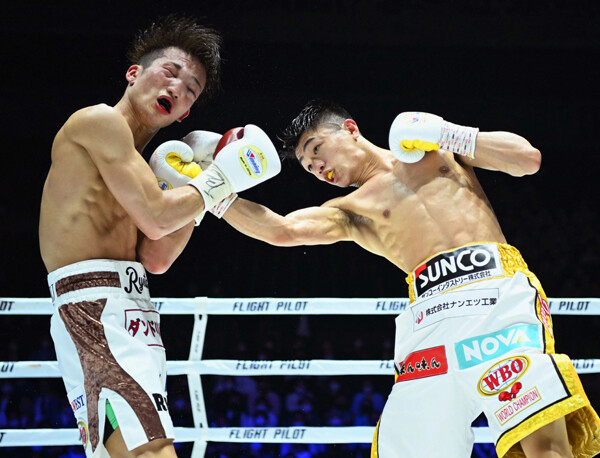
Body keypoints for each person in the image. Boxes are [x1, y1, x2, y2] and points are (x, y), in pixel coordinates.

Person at [210, 100, 600, 457]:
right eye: (309, 167)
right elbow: (281, 230)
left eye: (316, 149)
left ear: (349, 129)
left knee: (543, 446)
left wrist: (447, 131)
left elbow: (526, 160)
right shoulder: (349, 209)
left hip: (496, 298)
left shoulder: (436, 150)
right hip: (428, 326)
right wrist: (209, 191)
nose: (317, 168)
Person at [39, 15, 280, 458]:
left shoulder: (144, 167)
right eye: (170, 72)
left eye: (191, 89)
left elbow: (157, 256)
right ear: (135, 74)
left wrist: (202, 177)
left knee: (128, 450)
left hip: (132, 307)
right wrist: (221, 179)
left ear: (187, 114)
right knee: (152, 448)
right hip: (96, 308)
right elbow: (154, 218)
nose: (178, 88)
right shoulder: (98, 123)